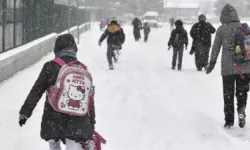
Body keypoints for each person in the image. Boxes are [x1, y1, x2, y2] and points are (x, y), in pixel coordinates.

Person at [18, 34, 96, 150]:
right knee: (74, 144)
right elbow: (89, 100)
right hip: (77, 120)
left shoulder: (50, 66)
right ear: (74, 49)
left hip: (53, 118)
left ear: (57, 48)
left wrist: (25, 112)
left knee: (54, 143)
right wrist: (91, 124)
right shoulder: (82, 69)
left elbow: (37, 90)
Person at [206, 4, 250, 129]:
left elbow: (215, 48)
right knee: (242, 92)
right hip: (244, 67)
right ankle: (241, 110)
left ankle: (229, 121)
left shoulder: (221, 29)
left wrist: (211, 63)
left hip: (228, 68)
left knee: (228, 94)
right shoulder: (243, 28)